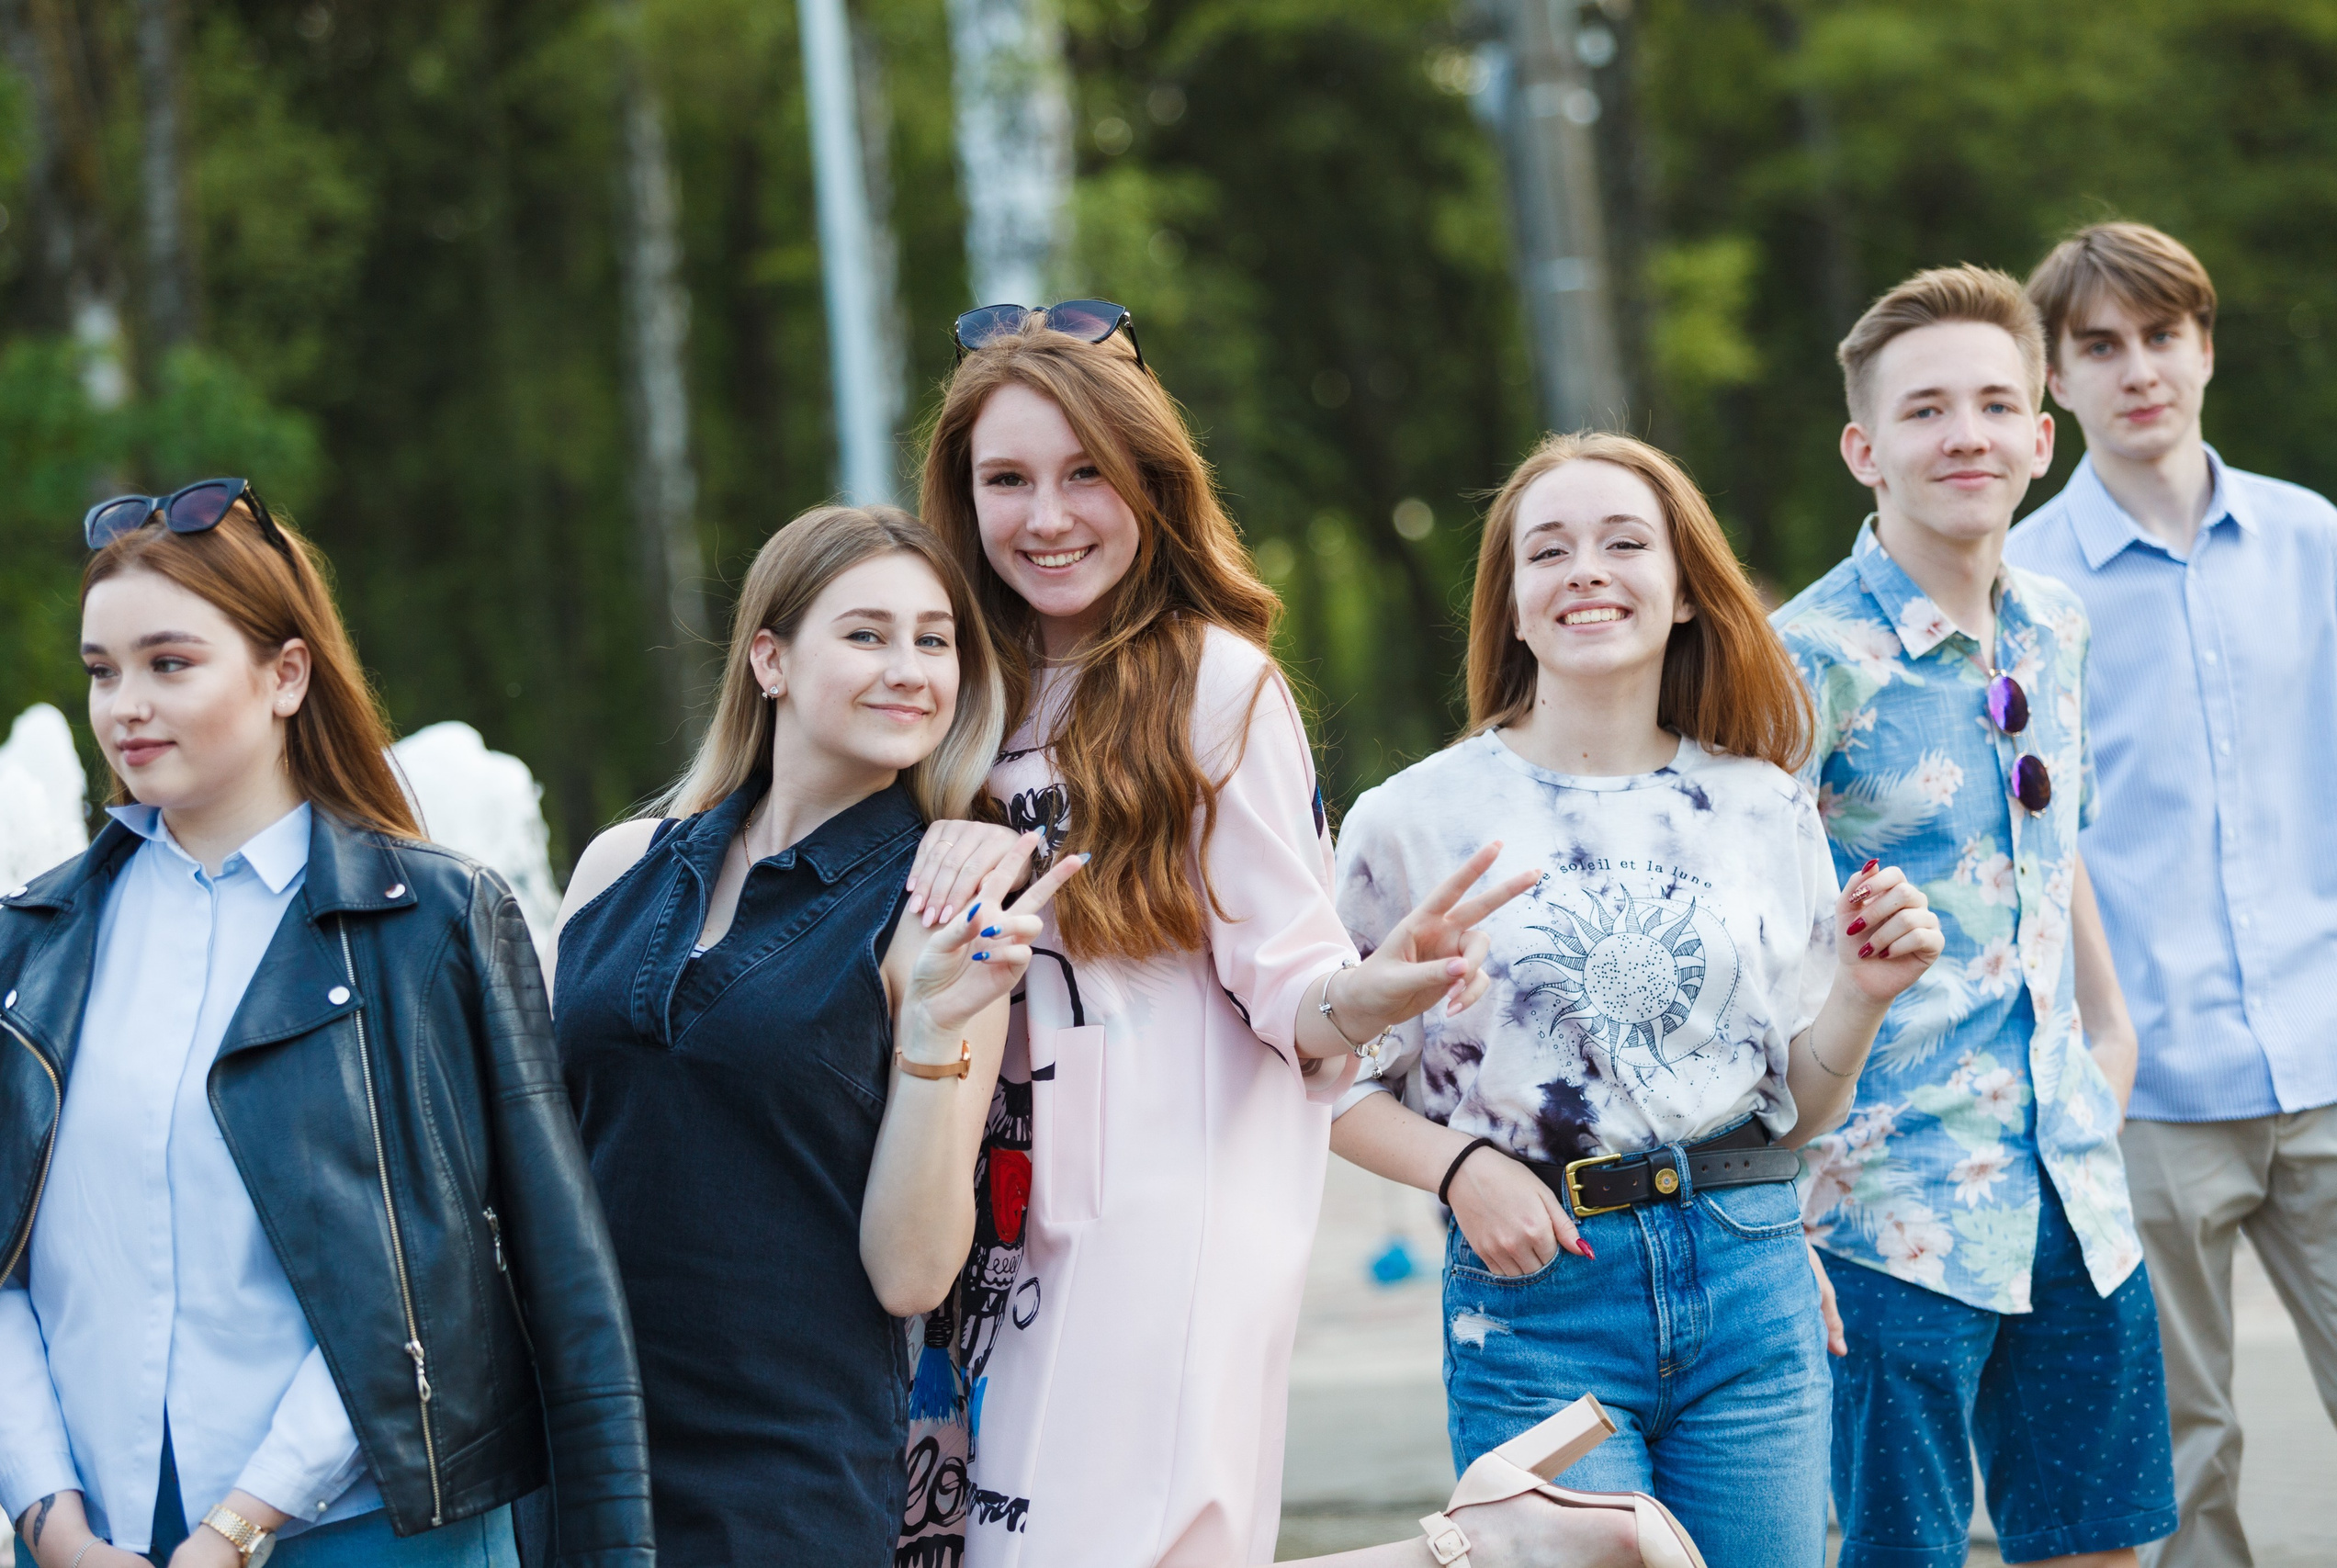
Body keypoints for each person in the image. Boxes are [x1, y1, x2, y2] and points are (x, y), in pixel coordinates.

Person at [898, 304, 1647, 1568]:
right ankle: (1499, 1543)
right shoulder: (951, 681)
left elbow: (1291, 985)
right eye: (1008, 479)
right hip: (976, 1216)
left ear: (1151, 482)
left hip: (1160, 1217)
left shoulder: (1211, 680)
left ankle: (1492, 1551)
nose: (1050, 515)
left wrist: (1373, 991)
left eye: (1089, 472)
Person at [0, 481, 652, 1568]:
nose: (124, 707)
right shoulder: (28, 943)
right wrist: (48, 1522)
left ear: (286, 673)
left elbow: (473, 1276)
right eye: (102, 671)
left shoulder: (434, 923)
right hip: (93, 1541)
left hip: (370, 1530)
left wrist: (239, 1527)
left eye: (170, 664)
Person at [1327, 430, 1942, 1568]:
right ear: (1510, 606)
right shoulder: (1413, 822)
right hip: (1539, 1292)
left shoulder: (1762, 807)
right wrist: (1461, 1173)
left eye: (1623, 542)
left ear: (1683, 592)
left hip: (1751, 1275)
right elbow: (1321, 1084)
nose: (1587, 571)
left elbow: (1792, 1113)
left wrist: (1860, 994)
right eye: (1547, 551)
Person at [540, 505, 1081, 1568]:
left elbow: (912, 1275)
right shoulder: (617, 866)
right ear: (770, 659)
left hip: (783, 1473)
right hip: (573, 1447)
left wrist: (930, 1032)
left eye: (936, 641)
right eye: (867, 634)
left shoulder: (938, 911)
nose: (911, 669)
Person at [1774, 265, 2177, 1568]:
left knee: (2100, 1546)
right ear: (1864, 447)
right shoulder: (1797, 663)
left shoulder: (2055, 625)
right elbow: (1750, 932)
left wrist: (2109, 1043)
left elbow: (2058, 854)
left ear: (2040, 437)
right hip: (1888, 1201)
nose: (1967, 434)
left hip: (2071, 1178)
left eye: (1997, 405)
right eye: (1927, 408)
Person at [2004, 221, 2337, 1568]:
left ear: (2205, 347)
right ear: (2057, 382)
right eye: (2100, 345)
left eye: (2162, 334)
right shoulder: (2020, 588)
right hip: (2138, 1090)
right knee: (2181, 1459)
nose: (2138, 368)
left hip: (2327, 1053)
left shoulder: (2316, 542)